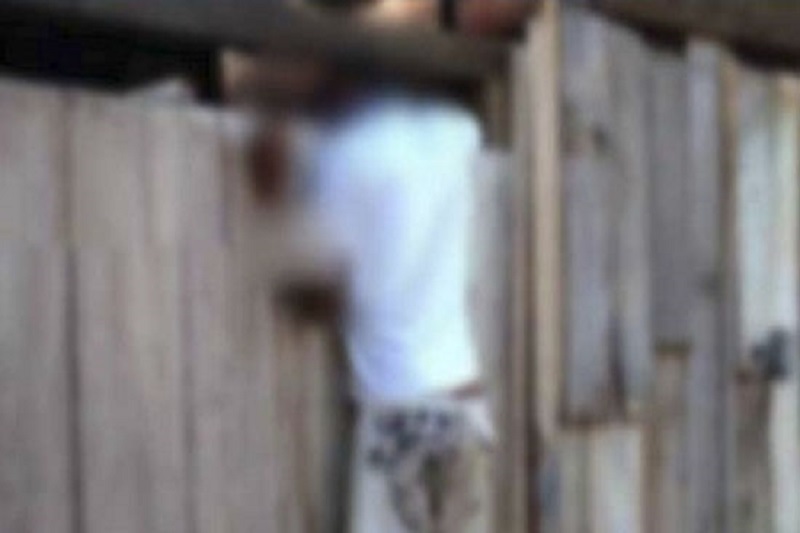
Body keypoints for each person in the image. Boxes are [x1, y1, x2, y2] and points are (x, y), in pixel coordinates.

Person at [250, 2, 534, 532]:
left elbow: (313, 297)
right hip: (464, 410)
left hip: (403, 420)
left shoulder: (344, 159)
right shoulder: (454, 131)